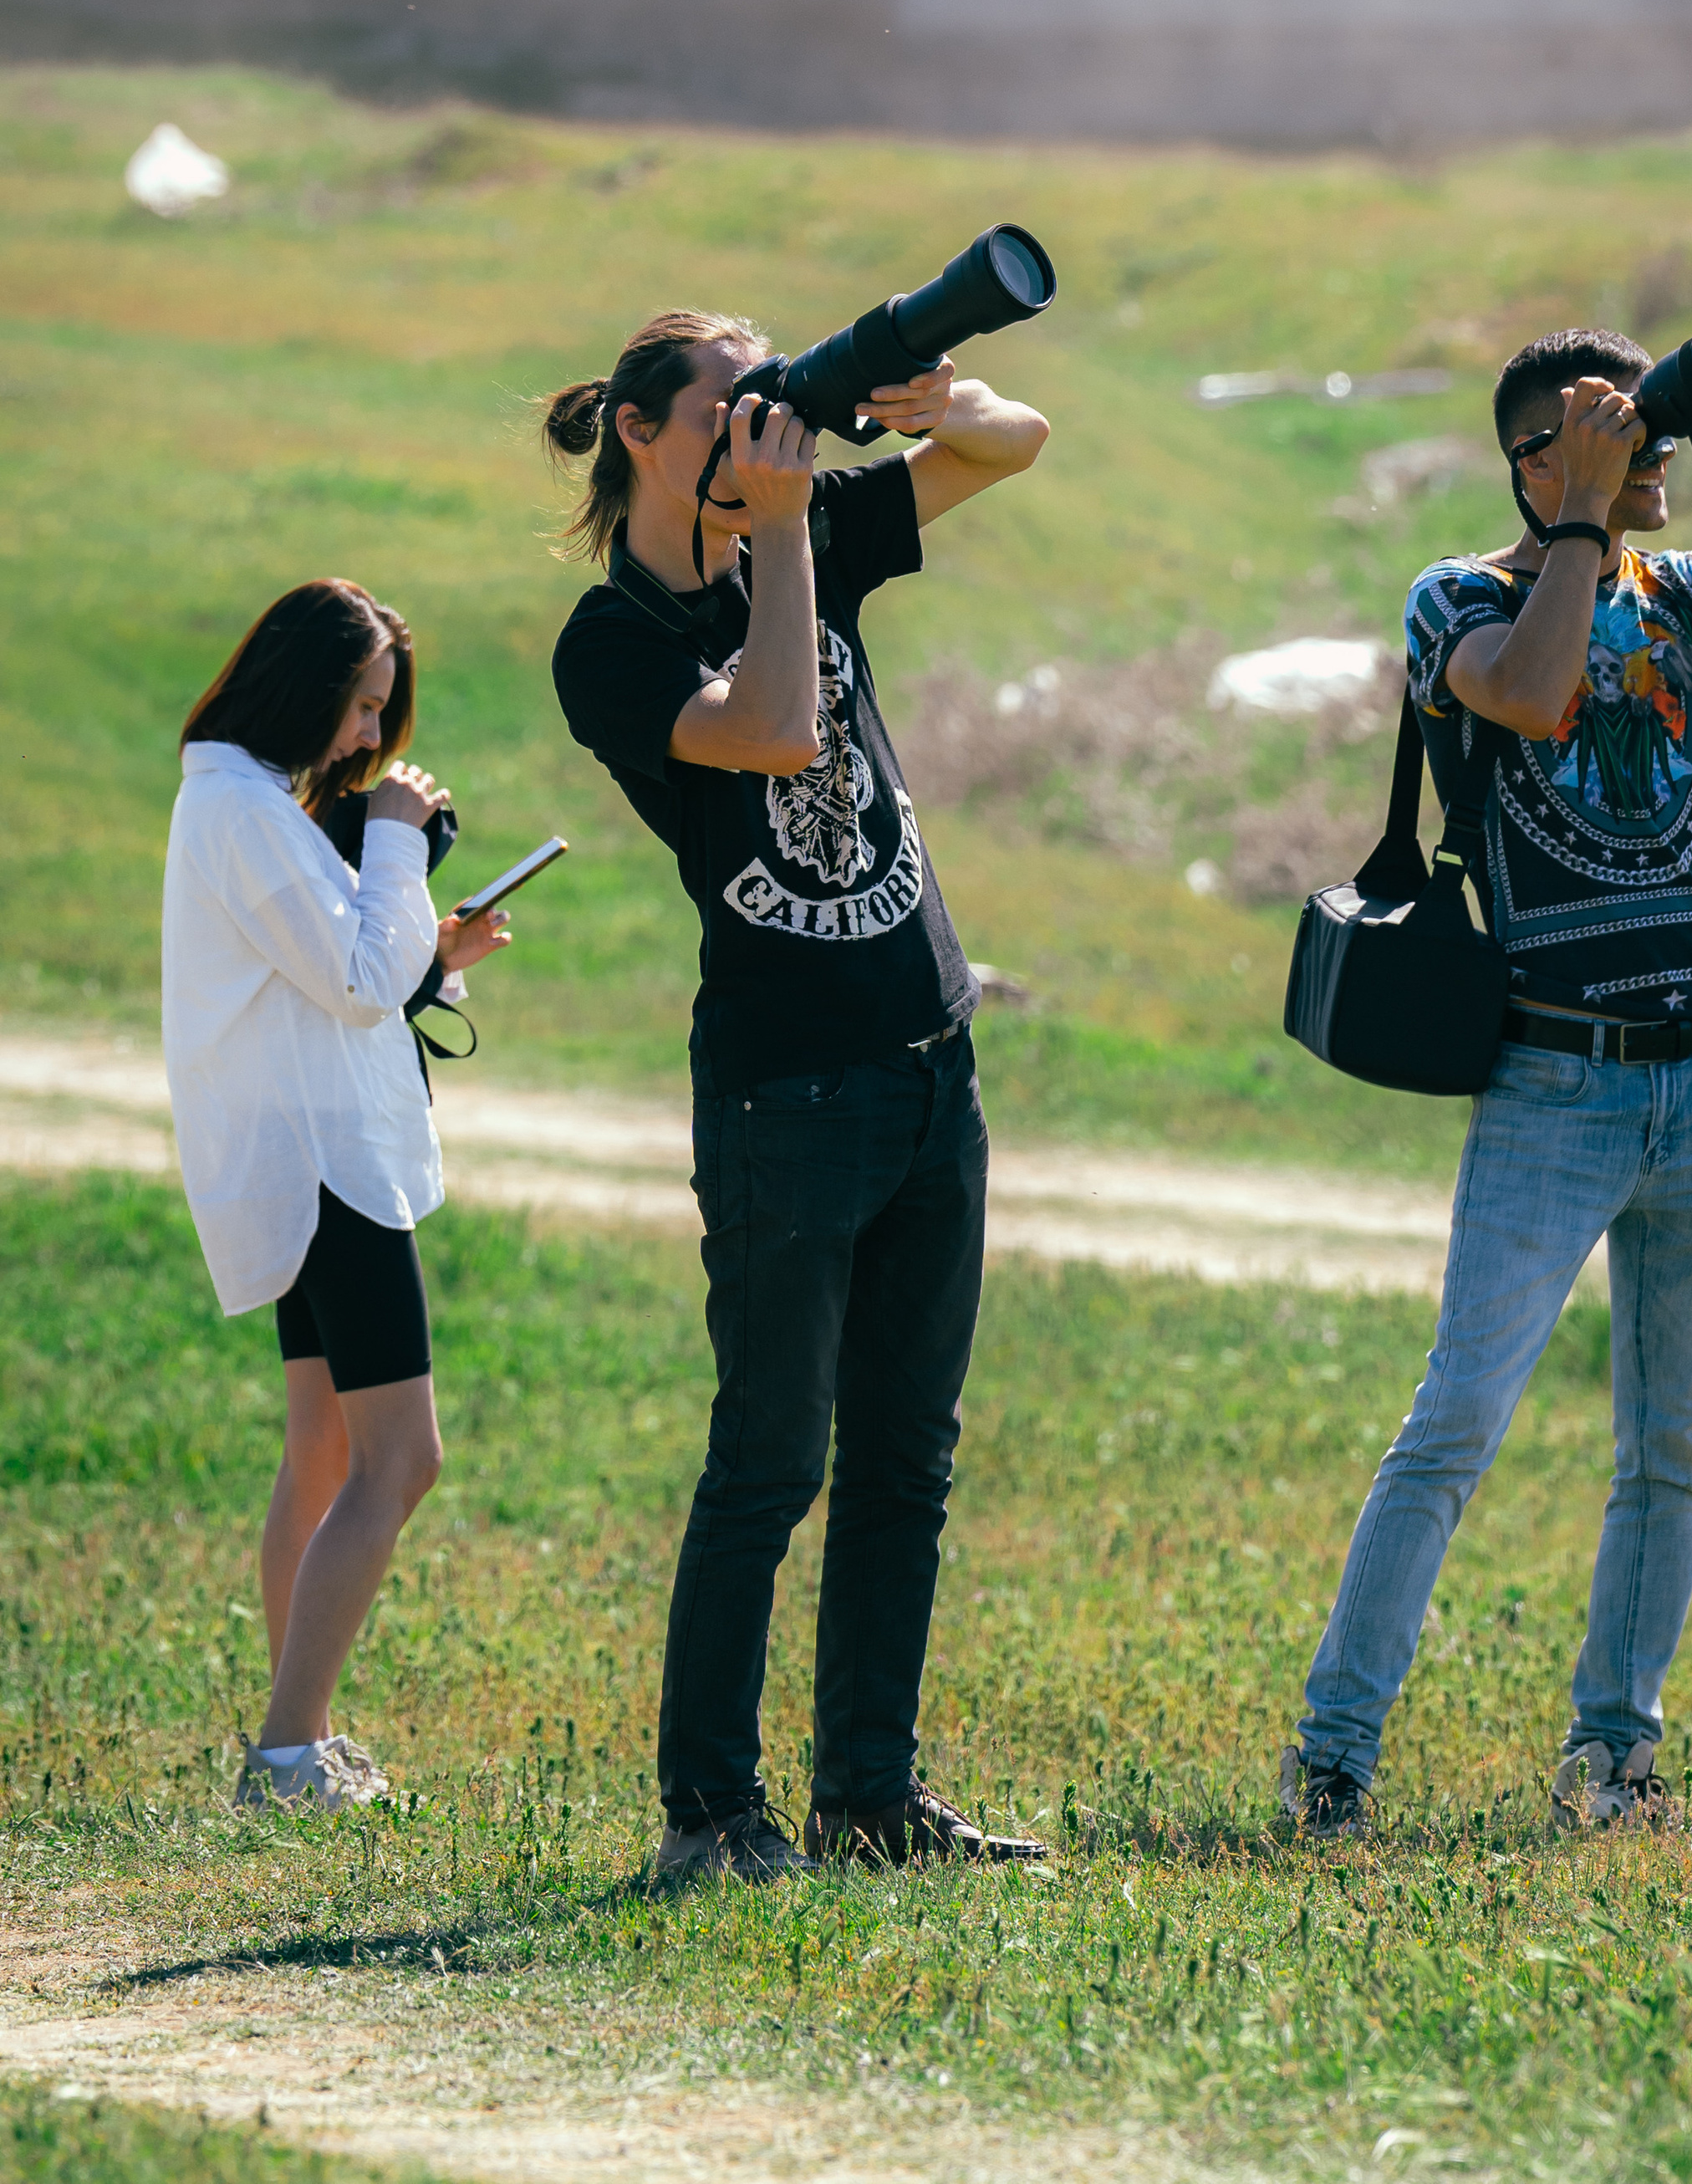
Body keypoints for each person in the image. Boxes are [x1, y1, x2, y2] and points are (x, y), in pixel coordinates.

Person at [1283, 334, 1692, 1841]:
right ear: (1533, 460)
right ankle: (1334, 1759)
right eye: (1617, 438)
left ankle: (1615, 1761)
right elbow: (1525, 694)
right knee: (1455, 1426)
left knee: (1673, 1454)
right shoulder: (1459, 599)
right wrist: (1581, 512)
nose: (1655, 460)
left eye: (1653, 438)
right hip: (1553, 1083)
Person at [544, 307, 1050, 1889]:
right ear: (641, 431)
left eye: (773, 400)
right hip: (787, 1094)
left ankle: (869, 1804)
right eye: (728, 405)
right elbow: (773, 731)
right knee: (770, 1462)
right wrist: (778, 537)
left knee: (907, 1462)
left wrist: (932, 399)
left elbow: (1016, 444)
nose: (763, 427)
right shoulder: (609, 643)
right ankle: (711, 1816)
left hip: (929, 1057)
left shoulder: (804, 526)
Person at [161, 579, 510, 1813]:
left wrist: (432, 956)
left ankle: (297, 1735)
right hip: (325, 1168)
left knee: (320, 1449)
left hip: (305, 1150)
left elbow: (332, 976)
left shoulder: (245, 805)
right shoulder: (244, 811)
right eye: (363, 706)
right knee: (402, 1459)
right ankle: (285, 1753)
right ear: (305, 687)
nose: (369, 737)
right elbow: (357, 983)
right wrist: (398, 838)